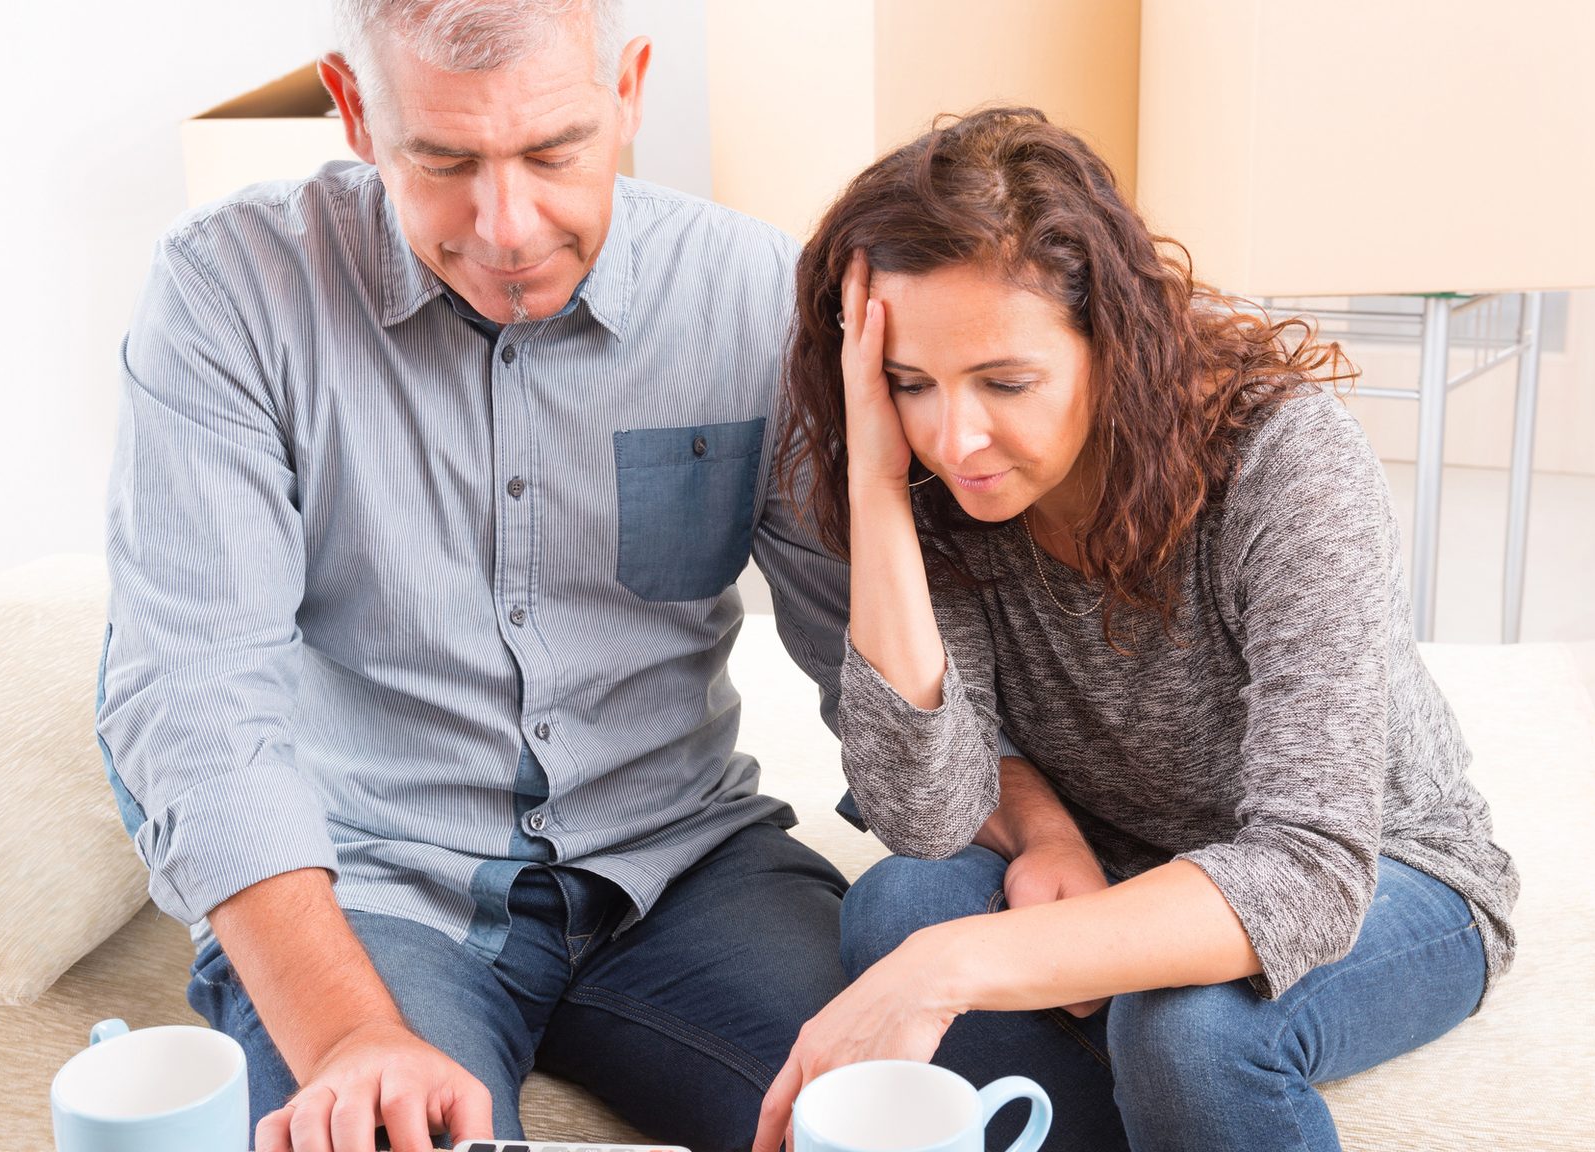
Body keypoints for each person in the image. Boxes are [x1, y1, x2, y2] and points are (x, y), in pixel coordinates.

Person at [95, 3, 856, 1150]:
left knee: (943, 1111)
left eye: (555, 153)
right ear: (354, 110)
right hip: (374, 885)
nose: (507, 225)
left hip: (686, 867)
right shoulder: (231, 292)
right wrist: (352, 1038)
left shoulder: (752, 292)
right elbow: (193, 699)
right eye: (443, 161)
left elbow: (871, 652)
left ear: (629, 92)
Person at [752, 107, 1521, 1152]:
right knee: (901, 904)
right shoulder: (935, 477)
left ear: (1109, 343)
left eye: (1006, 382)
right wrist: (879, 484)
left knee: (1187, 1029)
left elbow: (1307, 871)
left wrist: (957, 969)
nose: (955, 434)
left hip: (1389, 870)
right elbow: (926, 811)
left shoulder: (1288, 463)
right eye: (911, 384)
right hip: (1122, 854)